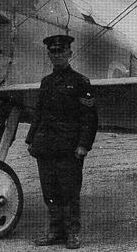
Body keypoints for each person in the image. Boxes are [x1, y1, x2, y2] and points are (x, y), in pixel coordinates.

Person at [26, 34, 98, 249]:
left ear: (70, 54)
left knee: (69, 192)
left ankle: (73, 234)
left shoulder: (80, 82)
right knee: (50, 192)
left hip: (69, 148)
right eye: (54, 52)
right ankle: (55, 232)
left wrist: (84, 145)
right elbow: (38, 113)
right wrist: (31, 140)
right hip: (45, 146)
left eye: (61, 51)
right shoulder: (46, 82)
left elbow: (89, 117)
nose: (57, 55)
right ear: (49, 55)